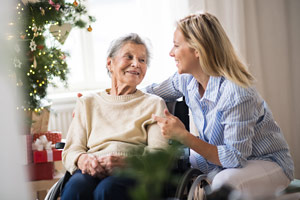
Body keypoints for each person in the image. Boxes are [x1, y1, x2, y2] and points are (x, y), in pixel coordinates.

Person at [148, 12, 294, 198]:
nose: (171, 53)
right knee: (171, 167)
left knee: (224, 183)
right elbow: (150, 93)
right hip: (221, 163)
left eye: (176, 46)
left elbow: (235, 157)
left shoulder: (237, 93)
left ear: (197, 50)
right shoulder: (185, 79)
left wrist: (184, 136)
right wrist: (115, 89)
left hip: (266, 162)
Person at [61, 33, 169, 200]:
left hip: (134, 173)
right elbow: (71, 150)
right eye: (129, 57)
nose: (136, 64)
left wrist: (127, 163)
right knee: (76, 188)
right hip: (92, 169)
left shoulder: (154, 104)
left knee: (107, 190)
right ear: (110, 63)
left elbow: (159, 155)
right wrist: (83, 160)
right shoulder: (87, 102)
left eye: (142, 60)